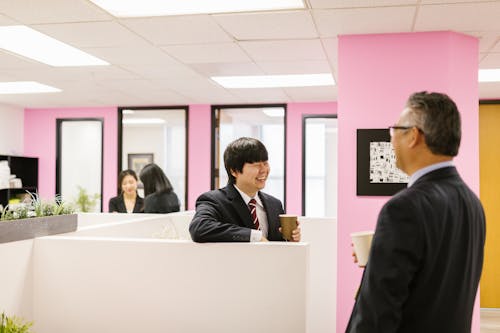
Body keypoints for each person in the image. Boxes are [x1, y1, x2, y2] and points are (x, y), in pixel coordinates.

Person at [346, 92, 486, 332]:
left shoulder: (403, 208)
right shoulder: (472, 203)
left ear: (413, 136)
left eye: (394, 131)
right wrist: (379, 258)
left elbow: (378, 314)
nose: (391, 141)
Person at [189, 137, 301, 243]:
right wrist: (253, 236)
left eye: (265, 163)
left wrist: (289, 241)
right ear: (234, 171)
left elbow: (276, 246)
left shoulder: (274, 204)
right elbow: (199, 228)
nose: (264, 170)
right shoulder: (214, 200)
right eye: (256, 165)